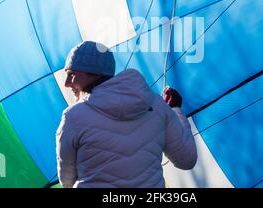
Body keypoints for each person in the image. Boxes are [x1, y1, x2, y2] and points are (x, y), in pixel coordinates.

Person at [56, 41, 197, 188]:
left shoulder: (73, 117)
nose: (66, 83)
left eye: (71, 75)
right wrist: (175, 110)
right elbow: (187, 159)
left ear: (94, 74)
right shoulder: (157, 105)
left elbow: (67, 181)